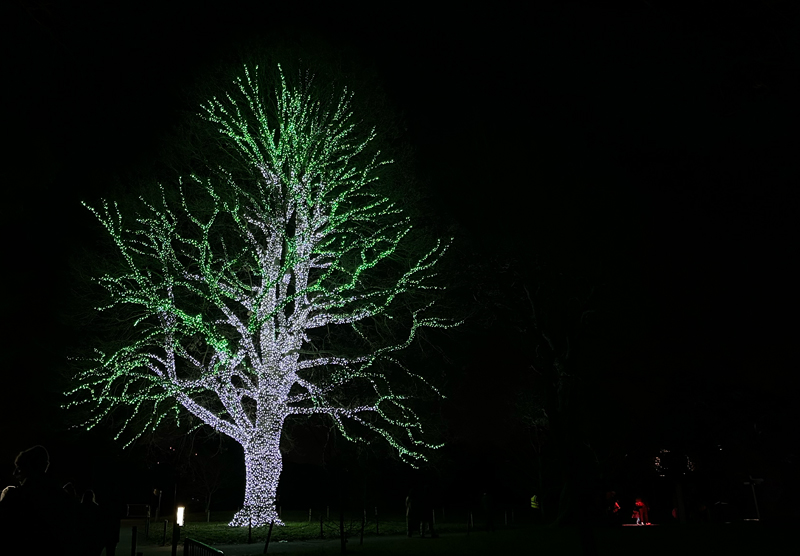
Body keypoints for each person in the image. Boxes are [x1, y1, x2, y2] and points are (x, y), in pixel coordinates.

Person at [0, 445, 79, 554]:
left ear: (28, 468)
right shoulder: (62, 497)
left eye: (19, 468)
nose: (15, 473)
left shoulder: (16, 496)